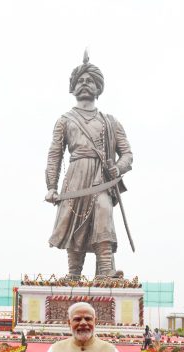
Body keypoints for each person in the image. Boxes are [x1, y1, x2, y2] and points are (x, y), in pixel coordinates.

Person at [45, 51, 133, 280]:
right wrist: (51, 187)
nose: (85, 85)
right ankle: (73, 274)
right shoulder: (65, 120)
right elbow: (55, 155)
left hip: (101, 179)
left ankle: (106, 270)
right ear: (73, 88)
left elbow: (127, 154)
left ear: (98, 87)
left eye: (90, 81)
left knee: (103, 212)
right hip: (75, 178)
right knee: (74, 221)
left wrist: (119, 168)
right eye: (80, 81)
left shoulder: (110, 121)